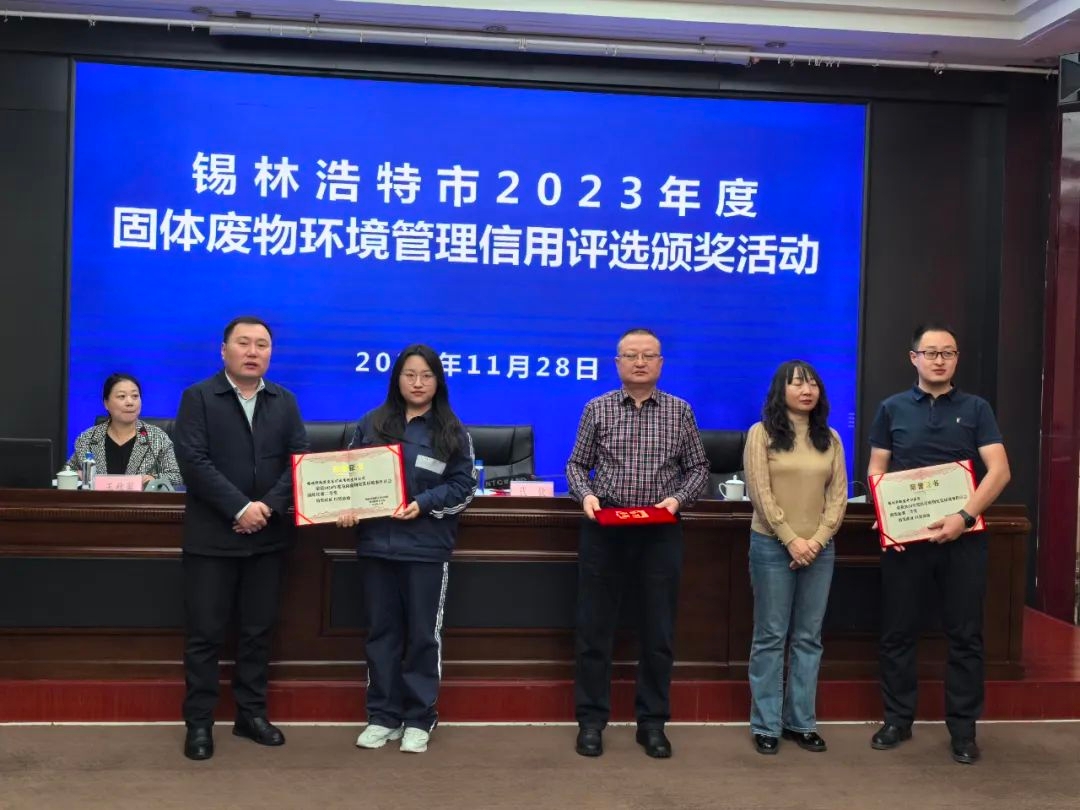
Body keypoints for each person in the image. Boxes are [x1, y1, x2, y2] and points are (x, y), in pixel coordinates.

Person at [868, 323, 1010, 765]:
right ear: (913, 358)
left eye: (948, 352)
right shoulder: (891, 408)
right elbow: (876, 469)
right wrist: (886, 516)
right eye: (930, 352)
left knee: (965, 635)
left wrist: (963, 517)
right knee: (898, 632)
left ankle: (963, 731)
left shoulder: (977, 408)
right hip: (907, 541)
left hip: (963, 540)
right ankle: (897, 719)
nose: (939, 360)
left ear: (956, 359)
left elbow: (1000, 471)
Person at [566, 327, 709, 759]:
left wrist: (677, 500)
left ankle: (653, 724)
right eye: (631, 355)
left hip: (659, 531)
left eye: (648, 355)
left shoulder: (680, 411)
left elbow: (699, 469)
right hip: (605, 528)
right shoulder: (597, 408)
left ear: (661, 363)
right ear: (617, 363)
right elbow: (576, 465)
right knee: (594, 630)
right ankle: (591, 722)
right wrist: (585, 496)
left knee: (657, 632)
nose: (640, 362)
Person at [172, 316, 308, 762]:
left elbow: (299, 461)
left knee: (257, 633)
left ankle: (251, 715)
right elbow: (193, 462)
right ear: (224, 349)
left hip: (267, 538)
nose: (253, 352)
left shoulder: (284, 401)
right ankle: (199, 723)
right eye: (244, 343)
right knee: (205, 635)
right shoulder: (198, 397)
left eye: (262, 345)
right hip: (212, 539)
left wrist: (264, 508)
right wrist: (239, 508)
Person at [338, 344, 475, 754]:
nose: (417, 383)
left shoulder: (452, 430)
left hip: (425, 549)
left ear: (438, 381)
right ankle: (382, 715)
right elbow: (347, 474)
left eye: (426, 375)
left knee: (422, 637)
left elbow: (464, 487)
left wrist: (424, 504)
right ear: (396, 378)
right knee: (381, 635)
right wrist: (345, 505)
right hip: (376, 547)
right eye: (409, 374)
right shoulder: (372, 423)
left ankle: (419, 717)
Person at [743, 360, 847, 755]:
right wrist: (790, 539)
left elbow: (837, 497)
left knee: (808, 637)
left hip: (819, 549)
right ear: (780, 390)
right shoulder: (762, 433)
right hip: (772, 545)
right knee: (771, 636)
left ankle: (801, 722)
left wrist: (816, 541)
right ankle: (766, 725)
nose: (807, 390)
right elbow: (760, 493)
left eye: (813, 384)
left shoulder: (830, 438)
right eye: (797, 384)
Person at [65, 373, 182, 489]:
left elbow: (176, 477)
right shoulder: (88, 438)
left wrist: (155, 479)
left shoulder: (157, 438)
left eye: (135, 396)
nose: (130, 402)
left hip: (141, 501)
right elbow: (67, 472)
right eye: (122, 396)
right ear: (106, 403)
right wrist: (77, 476)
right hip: (98, 501)